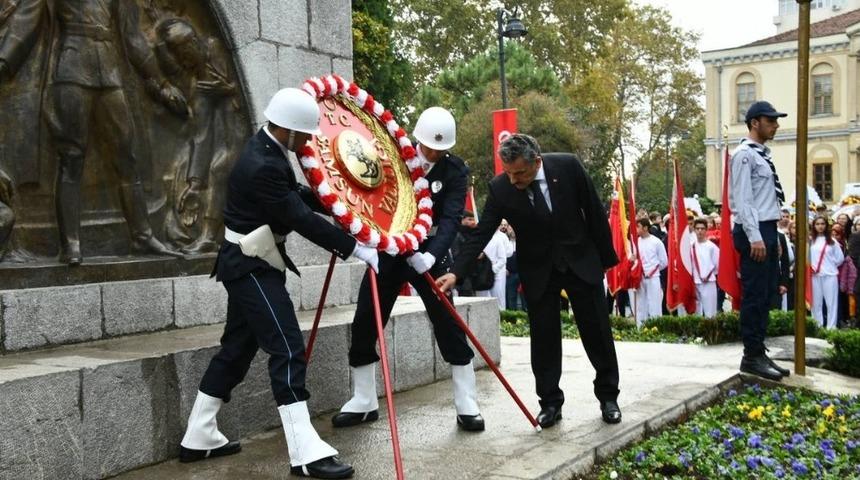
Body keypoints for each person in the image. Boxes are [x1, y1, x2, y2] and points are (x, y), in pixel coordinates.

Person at [178, 88, 379, 479]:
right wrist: (355, 247)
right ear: (285, 129)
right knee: (287, 348)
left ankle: (199, 434)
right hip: (251, 266)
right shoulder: (262, 163)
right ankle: (305, 450)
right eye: (303, 135)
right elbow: (296, 216)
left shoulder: (268, 150)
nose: (307, 141)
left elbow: (298, 196)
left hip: (253, 263)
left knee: (236, 349)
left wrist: (340, 206)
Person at [435, 133, 622, 427]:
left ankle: (608, 396)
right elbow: (482, 232)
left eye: (520, 172)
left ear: (537, 161)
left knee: (596, 331)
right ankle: (549, 403)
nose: (513, 180)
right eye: (508, 173)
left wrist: (605, 261)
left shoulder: (568, 167)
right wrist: (456, 271)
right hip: (538, 270)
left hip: (580, 263)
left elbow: (595, 212)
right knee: (544, 339)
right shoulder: (500, 188)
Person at [332, 107, 486, 432]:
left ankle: (466, 402)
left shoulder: (455, 171)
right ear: (417, 138)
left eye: (440, 149)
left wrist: (431, 257)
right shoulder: (393, 158)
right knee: (366, 320)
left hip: (428, 253)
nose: (433, 154)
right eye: (429, 146)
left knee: (447, 323)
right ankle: (363, 400)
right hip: (389, 251)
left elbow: (450, 219)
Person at [0, 0, 190, 264]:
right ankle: (71, 245)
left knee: (126, 156)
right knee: (71, 158)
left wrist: (161, 83)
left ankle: (142, 236)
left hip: (110, 75)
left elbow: (132, 37)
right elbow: (26, 21)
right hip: (70, 69)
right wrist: (4, 61)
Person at [729, 100, 789, 381]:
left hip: (766, 229)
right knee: (754, 296)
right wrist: (755, 237)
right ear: (755, 122)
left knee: (766, 295)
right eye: (771, 120)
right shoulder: (743, 155)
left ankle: (759, 352)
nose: (776, 125)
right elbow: (743, 199)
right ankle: (751, 356)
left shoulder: (762, 154)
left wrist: (770, 235)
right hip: (754, 231)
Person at [810, 215, 844, 330]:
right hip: (814, 275)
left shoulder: (832, 241)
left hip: (830, 275)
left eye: (822, 224)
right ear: (814, 226)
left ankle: (831, 328)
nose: (820, 226)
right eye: (817, 224)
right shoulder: (810, 241)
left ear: (826, 225)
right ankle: (817, 327)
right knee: (815, 304)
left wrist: (829, 265)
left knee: (831, 303)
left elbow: (840, 258)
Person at [634, 218, 667, 326]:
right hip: (640, 277)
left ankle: (656, 327)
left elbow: (663, 261)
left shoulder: (656, 242)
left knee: (654, 304)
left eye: (638, 226)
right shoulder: (636, 242)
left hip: (653, 277)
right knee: (640, 304)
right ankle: (640, 328)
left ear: (645, 227)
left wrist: (653, 271)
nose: (636, 229)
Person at [476, 220, 514, 310]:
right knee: (483, 298)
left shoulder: (501, 237)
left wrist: (493, 269)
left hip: (497, 270)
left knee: (498, 297)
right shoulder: (480, 237)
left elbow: (507, 254)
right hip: (482, 271)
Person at [691, 218, 720, 318]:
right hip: (695, 282)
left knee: (710, 311)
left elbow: (717, 266)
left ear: (706, 230)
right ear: (694, 230)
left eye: (702, 229)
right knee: (695, 311)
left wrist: (707, 275)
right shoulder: (691, 247)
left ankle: (710, 332)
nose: (700, 231)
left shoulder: (712, 247)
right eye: (697, 228)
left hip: (709, 282)